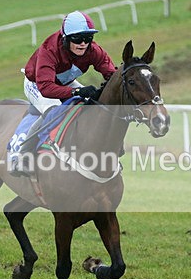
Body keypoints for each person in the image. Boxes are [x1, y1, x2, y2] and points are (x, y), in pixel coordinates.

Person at [9, 10, 117, 176]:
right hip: (37, 84)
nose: (83, 43)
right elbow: (46, 87)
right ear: (66, 38)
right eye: (77, 39)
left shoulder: (93, 51)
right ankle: (23, 156)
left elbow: (112, 74)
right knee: (53, 111)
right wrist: (76, 91)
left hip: (64, 82)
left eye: (88, 38)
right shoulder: (49, 49)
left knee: (92, 104)